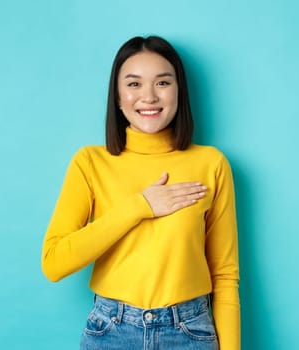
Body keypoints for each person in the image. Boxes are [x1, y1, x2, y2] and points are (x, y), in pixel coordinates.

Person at [41, 36, 240, 350]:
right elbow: (54, 263)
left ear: (179, 92)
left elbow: (225, 275)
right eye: (134, 84)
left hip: (190, 332)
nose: (149, 96)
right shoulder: (90, 162)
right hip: (111, 331)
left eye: (162, 82)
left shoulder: (211, 163)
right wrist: (139, 206)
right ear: (118, 97)